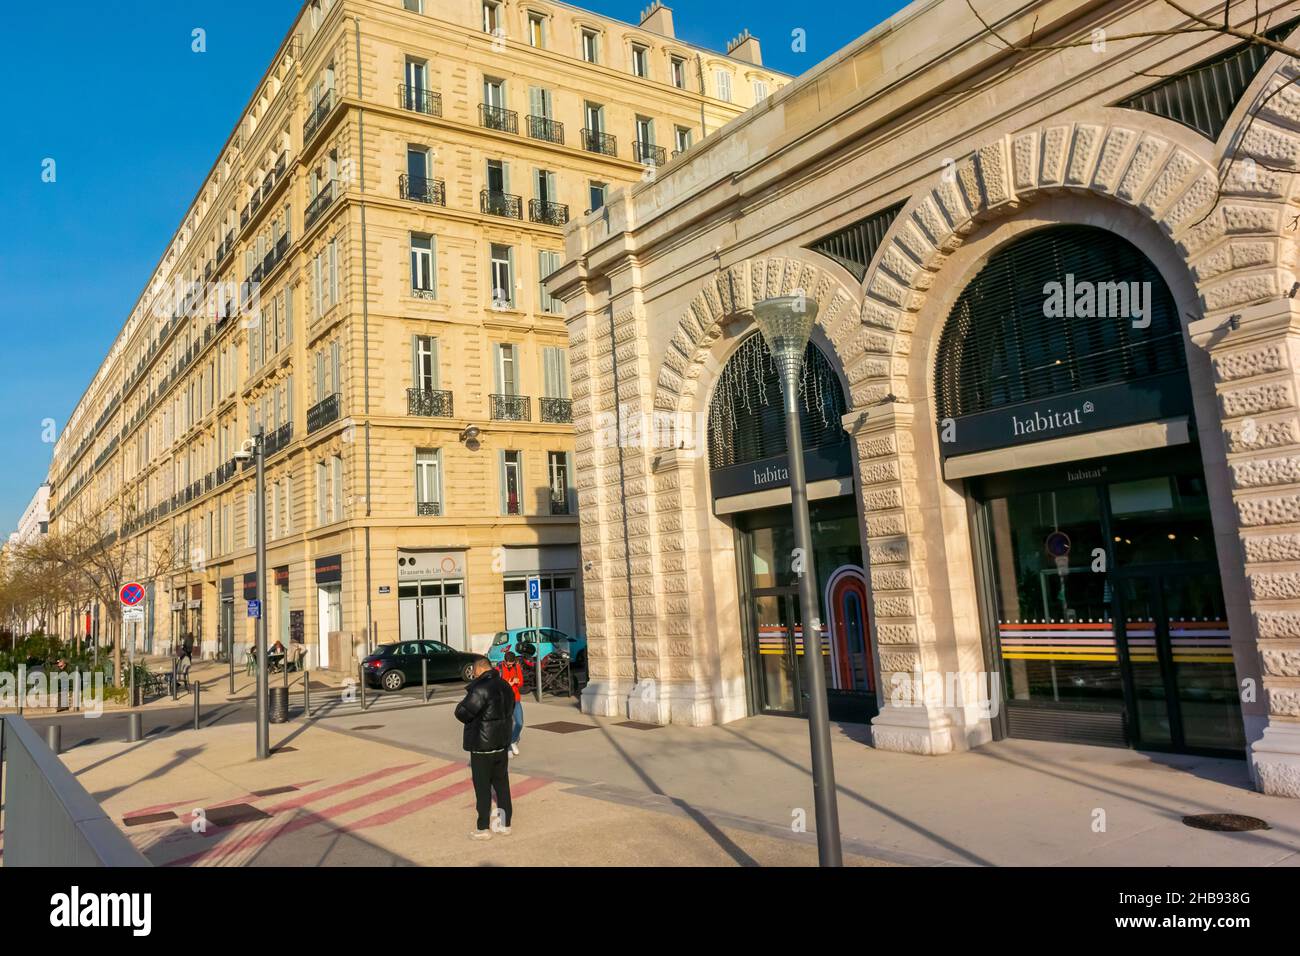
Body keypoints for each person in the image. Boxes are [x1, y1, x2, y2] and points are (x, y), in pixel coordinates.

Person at [454, 657, 515, 841]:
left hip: (482, 745)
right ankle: (505, 825)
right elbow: (510, 709)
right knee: (502, 785)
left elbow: (462, 713)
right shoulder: (505, 685)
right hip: (501, 743)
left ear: (480, 669)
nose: (473, 675)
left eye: (474, 671)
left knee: (482, 788)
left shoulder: (480, 689)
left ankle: (483, 828)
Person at [497, 651, 524, 756]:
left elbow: (521, 682)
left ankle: (512, 741)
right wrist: (509, 682)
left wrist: (517, 682)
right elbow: (498, 684)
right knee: (507, 724)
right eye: (509, 664)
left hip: (515, 698)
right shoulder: (499, 668)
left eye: (512, 664)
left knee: (519, 723)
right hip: (504, 700)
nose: (510, 665)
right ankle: (508, 747)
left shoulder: (517, 667)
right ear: (504, 661)